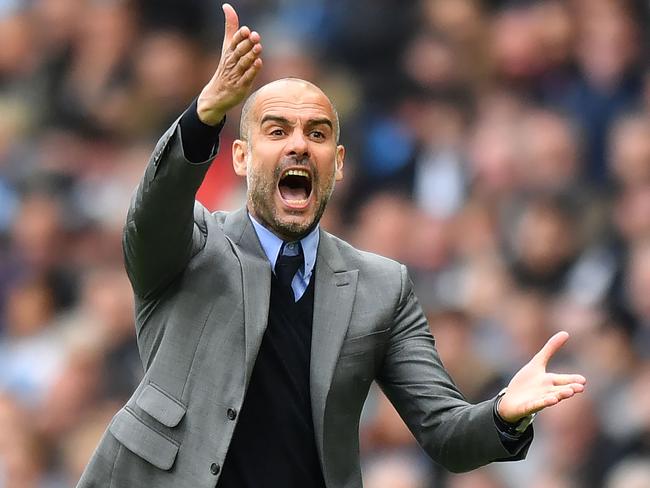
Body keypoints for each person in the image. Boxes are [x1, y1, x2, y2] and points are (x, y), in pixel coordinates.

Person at [77, 4, 587, 487]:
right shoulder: (190, 245)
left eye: (316, 133)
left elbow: (446, 434)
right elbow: (149, 217)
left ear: (338, 164)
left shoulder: (383, 287)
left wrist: (503, 414)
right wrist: (205, 114)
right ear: (240, 158)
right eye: (277, 131)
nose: (299, 144)